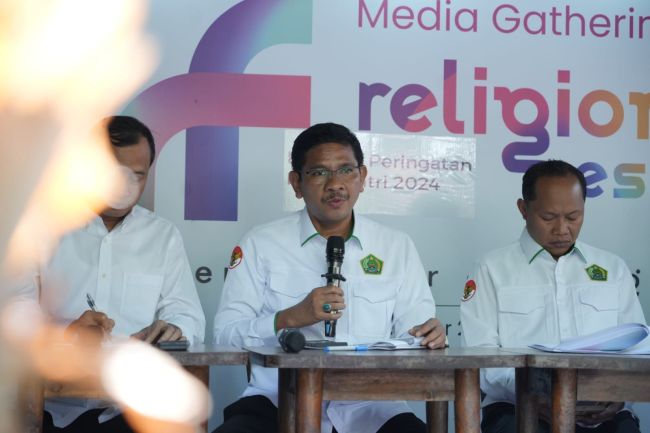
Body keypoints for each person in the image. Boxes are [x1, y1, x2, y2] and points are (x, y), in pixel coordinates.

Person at [212, 122, 446, 433]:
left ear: (362, 177)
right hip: (279, 401)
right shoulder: (261, 243)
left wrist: (428, 336)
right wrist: (289, 318)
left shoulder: (396, 246)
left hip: (371, 406)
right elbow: (225, 336)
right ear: (296, 183)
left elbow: (415, 334)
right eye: (319, 172)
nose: (335, 184)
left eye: (346, 170)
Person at [18, 116, 206, 433]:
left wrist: (174, 328)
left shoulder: (163, 236)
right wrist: (68, 332)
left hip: (132, 409)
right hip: (49, 405)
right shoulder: (43, 229)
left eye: (137, 175)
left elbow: (188, 315)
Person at [460, 160, 645, 433]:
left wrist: (618, 394)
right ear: (523, 209)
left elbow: (638, 348)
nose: (562, 229)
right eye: (548, 217)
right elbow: (481, 357)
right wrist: (534, 395)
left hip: (603, 412)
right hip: (518, 409)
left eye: (573, 216)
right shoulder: (491, 268)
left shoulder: (613, 268)